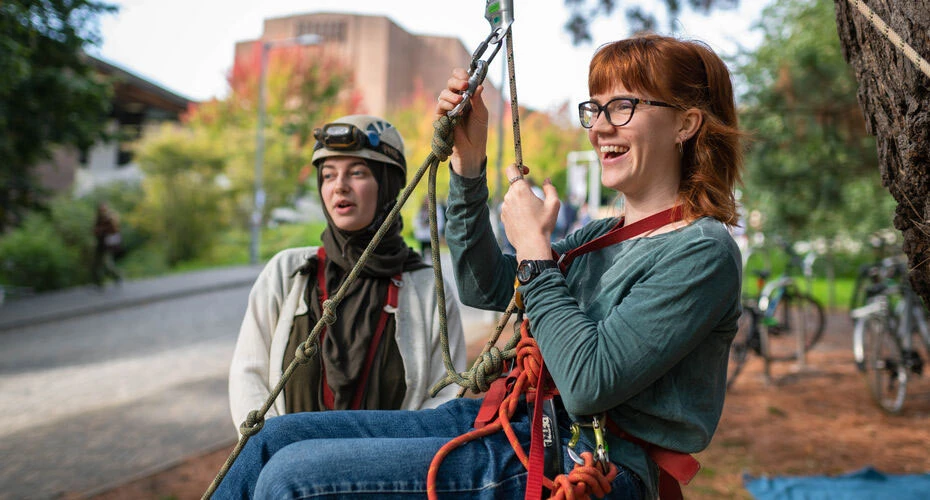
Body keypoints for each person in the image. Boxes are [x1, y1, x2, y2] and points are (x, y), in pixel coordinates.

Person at [214, 34, 742, 500]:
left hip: (590, 464)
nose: (600, 127)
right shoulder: (599, 238)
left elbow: (588, 382)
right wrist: (468, 169)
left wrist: (535, 249)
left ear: (686, 123)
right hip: (513, 424)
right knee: (269, 443)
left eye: (622, 106)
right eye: (595, 108)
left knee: (293, 478)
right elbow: (483, 285)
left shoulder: (701, 250)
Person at [227, 115, 467, 433]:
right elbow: (249, 377)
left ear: (388, 183)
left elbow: (444, 400)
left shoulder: (427, 288)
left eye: (357, 173)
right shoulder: (286, 273)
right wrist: (274, 451)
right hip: (287, 473)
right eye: (328, 175)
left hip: (386, 477)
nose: (339, 185)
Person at [92, 202, 123, 287]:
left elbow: (114, 229)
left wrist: (102, 229)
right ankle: (99, 282)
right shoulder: (98, 218)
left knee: (107, 264)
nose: (102, 210)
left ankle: (117, 277)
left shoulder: (110, 217)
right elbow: (94, 230)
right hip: (100, 244)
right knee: (97, 264)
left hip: (107, 245)